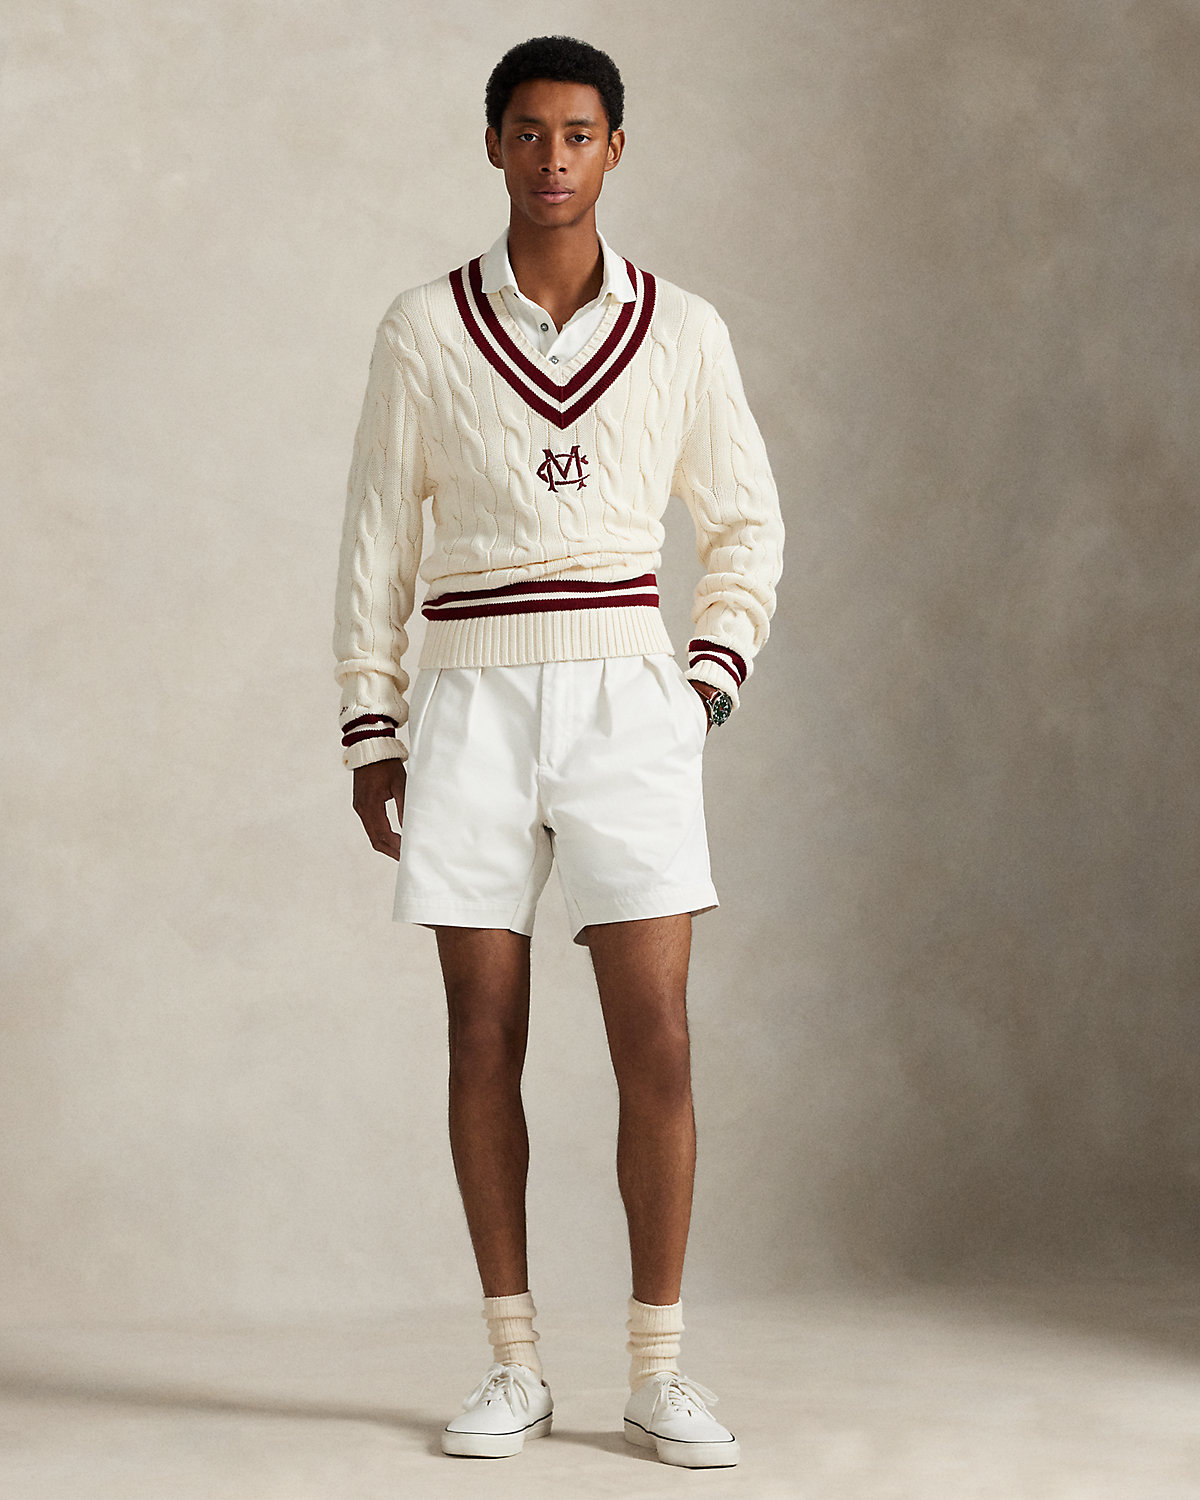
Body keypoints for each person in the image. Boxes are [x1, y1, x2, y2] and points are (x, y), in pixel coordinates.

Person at [332, 34, 783, 1468]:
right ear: (493, 145)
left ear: (615, 150)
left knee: (657, 1037)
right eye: (527, 132)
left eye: (578, 134)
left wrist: (704, 684)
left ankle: (658, 1369)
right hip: (468, 701)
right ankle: (513, 1363)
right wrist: (371, 721)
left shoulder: (683, 329)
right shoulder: (423, 328)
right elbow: (375, 537)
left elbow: (745, 522)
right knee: (483, 1033)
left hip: (623, 704)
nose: (552, 158)